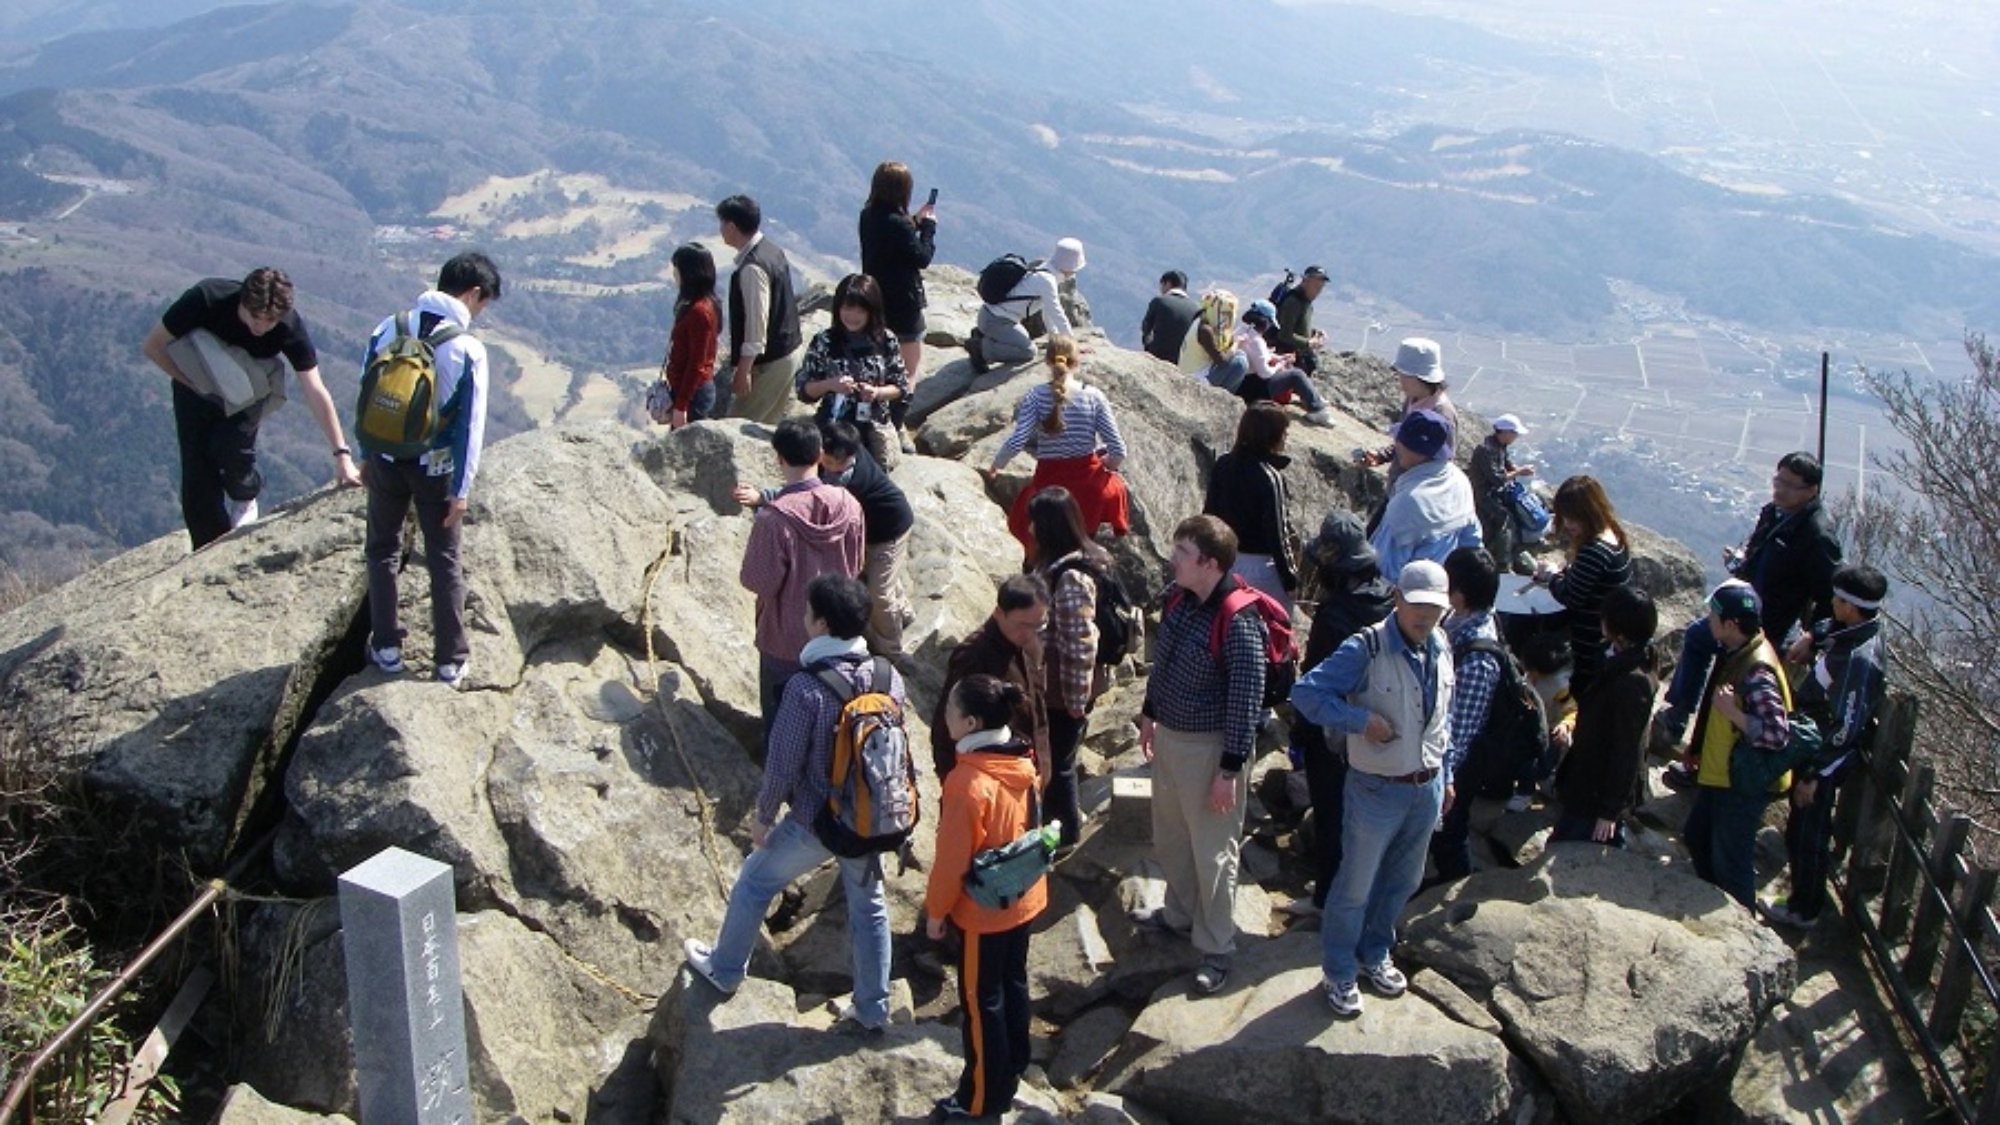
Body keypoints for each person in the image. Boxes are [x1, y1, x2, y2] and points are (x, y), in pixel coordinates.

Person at [684, 574, 902, 1033]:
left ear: (820, 623)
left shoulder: (806, 688)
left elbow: (783, 765)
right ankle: (873, 1008)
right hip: (872, 816)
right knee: (870, 907)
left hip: (817, 820)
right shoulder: (888, 676)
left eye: (808, 613)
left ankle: (724, 970)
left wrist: (763, 818)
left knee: (753, 884)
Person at [1291, 560, 1454, 1018]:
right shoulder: (1366, 647)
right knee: (1355, 885)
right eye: (1418, 604)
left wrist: (1449, 775)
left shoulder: (1442, 644)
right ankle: (1340, 970)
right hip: (1376, 787)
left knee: (1404, 879)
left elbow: (1445, 718)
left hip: (1426, 784)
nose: (1426, 616)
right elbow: (1307, 694)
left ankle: (1376, 951)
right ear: (1397, 599)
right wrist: (1362, 722)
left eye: (1436, 608)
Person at [1135, 515, 1266, 995]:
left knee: (1213, 851)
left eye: (1181, 553)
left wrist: (1229, 769)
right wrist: (1151, 712)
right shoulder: (1180, 598)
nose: (1172, 559)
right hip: (1171, 736)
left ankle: (1216, 946)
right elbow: (1163, 660)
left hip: (1211, 749)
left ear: (1208, 564)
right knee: (1171, 836)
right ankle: (1179, 914)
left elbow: (1247, 698)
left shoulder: (1238, 618)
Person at [359, 251, 502, 686]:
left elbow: (368, 395)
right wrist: (462, 489)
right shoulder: (467, 348)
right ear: (474, 293)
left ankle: (385, 647)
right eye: (483, 303)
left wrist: (367, 454)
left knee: (382, 549)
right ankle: (449, 660)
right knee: (443, 558)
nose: (480, 313)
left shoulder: (388, 327)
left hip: (384, 457)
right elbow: (469, 426)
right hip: (433, 467)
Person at [142, 267, 362, 549]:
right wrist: (196, 385)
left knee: (232, 450)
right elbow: (154, 345)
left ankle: (245, 495)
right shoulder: (207, 297)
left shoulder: (287, 325)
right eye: (254, 317)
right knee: (197, 478)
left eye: (269, 320)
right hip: (194, 384)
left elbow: (315, 389)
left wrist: (342, 455)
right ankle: (209, 551)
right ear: (241, 301)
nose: (260, 326)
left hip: (248, 391)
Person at [925, 673, 1047, 1120]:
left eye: (950, 711)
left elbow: (952, 861)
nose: (945, 717)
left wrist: (936, 913)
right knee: (1012, 982)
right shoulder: (1020, 758)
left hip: (984, 911)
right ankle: (1014, 1063)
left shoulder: (967, 783)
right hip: (1024, 896)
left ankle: (980, 1097)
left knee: (979, 1001)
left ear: (971, 722)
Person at [1659, 451, 1842, 746]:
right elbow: (1762, 559)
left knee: (1728, 679)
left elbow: (1832, 598)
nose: (1779, 488)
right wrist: (1741, 565)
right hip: (1744, 609)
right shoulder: (1776, 513)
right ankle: (1681, 722)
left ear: (1811, 491)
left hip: (1769, 625)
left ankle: (1692, 738)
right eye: (1778, 479)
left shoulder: (1816, 535)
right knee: (1699, 640)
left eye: (1789, 484)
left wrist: (1814, 637)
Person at [1765, 564, 1889, 927]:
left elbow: (1846, 726)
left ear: (1850, 606)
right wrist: (1813, 637)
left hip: (1824, 755)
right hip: (1815, 744)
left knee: (1809, 832)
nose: (1831, 604)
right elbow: (1831, 629)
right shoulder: (1857, 630)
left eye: (1837, 599)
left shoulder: (1858, 662)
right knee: (1802, 825)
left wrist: (1816, 774)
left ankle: (1805, 907)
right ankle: (1802, 899)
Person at [1288, 510, 1395, 913]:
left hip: (1333, 731)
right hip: (1382, 723)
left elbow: (1313, 681)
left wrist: (1300, 738)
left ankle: (1327, 898)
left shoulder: (1334, 617)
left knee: (1332, 813)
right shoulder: (1388, 598)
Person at [737, 420, 911, 660]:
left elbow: (805, 494)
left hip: (889, 529)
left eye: (836, 464)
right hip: (863, 527)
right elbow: (808, 490)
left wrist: (764, 500)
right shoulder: (846, 497)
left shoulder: (850, 484)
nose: (832, 467)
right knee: (874, 576)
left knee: (879, 591)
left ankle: (890, 650)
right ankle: (902, 610)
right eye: (828, 462)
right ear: (819, 454)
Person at [738, 418, 865, 743]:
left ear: (779, 458)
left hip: (785, 640)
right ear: (820, 454)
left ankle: (782, 785)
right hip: (840, 634)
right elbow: (858, 563)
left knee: (782, 727)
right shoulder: (849, 505)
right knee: (832, 728)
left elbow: (758, 582)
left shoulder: (773, 518)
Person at [1681, 580, 1793, 909]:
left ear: (1731, 624)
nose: (1708, 620)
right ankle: (1710, 903)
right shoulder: (1739, 651)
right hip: (1724, 772)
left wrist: (1734, 714)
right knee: (1697, 835)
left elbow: (1776, 733)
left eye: (1713, 615)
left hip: (1744, 781)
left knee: (1731, 859)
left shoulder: (1756, 669)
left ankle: (1741, 924)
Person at [987, 336, 1130, 561]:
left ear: (1046, 361)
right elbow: (1119, 450)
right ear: (1077, 362)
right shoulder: (1093, 396)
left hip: (1049, 486)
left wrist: (997, 464)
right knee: (1109, 497)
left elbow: (1017, 440)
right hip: (1088, 491)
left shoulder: (1035, 396)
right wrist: (1106, 465)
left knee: (1033, 528)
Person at [1026, 488, 1110, 850]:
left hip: (1065, 690)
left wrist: (1077, 700)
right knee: (1055, 758)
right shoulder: (1060, 562)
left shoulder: (1072, 577)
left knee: (1058, 763)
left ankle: (1066, 834)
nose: (1028, 528)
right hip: (1057, 685)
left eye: (1034, 522)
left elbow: (1080, 643)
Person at [1550, 584, 1659, 847]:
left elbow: (1626, 749)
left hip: (1595, 790)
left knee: (1571, 844)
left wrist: (1609, 811)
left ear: (1618, 631)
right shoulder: (1633, 658)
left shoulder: (1632, 683)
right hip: (1589, 772)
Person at [1427, 547, 1504, 885]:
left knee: (1450, 832)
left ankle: (1454, 884)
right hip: (1440, 748)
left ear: (1460, 592)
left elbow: (1462, 729)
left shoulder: (1478, 658)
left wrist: (1442, 776)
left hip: (1458, 766)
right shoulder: (1461, 619)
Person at [931, 576, 1052, 787]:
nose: (1030, 634)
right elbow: (946, 728)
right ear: (998, 613)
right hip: (988, 783)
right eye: (1023, 625)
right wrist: (956, 784)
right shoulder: (975, 656)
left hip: (1028, 771)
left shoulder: (1031, 642)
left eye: (1039, 625)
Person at [794, 274, 909, 469]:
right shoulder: (825, 341)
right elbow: (803, 390)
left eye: (860, 310)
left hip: (872, 429)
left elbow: (900, 387)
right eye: (847, 308)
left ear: (872, 311)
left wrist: (877, 393)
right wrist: (830, 385)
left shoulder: (886, 340)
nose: (852, 316)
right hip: (834, 428)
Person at [1534, 476, 1632, 695]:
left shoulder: (1594, 551)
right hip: (1603, 635)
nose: (1568, 524)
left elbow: (1571, 597)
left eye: (1573, 518)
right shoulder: (1614, 534)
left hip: (1588, 640)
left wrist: (1551, 577)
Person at [716, 194, 803, 422]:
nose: (721, 229)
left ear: (732, 227)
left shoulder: (752, 268)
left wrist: (744, 370)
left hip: (770, 363)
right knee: (767, 428)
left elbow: (757, 323)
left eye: (722, 223)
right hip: (788, 351)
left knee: (742, 425)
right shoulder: (772, 250)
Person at [1203, 403, 1300, 607]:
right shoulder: (1270, 477)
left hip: (1223, 561)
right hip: (1259, 568)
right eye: (1284, 432)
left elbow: (1209, 516)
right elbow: (1278, 534)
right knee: (1272, 630)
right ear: (1272, 436)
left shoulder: (1223, 464)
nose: (1286, 438)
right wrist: (1290, 579)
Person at [1368, 409, 1482, 579]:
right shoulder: (1459, 481)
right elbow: (1472, 542)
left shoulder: (1410, 501)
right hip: (1442, 590)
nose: (1397, 444)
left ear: (1419, 452)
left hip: (1406, 596)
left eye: (1403, 441)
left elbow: (1383, 568)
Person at [856, 161, 937, 385]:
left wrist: (914, 223)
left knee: (878, 364)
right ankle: (898, 415)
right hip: (903, 305)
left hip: (875, 299)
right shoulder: (899, 225)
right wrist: (928, 229)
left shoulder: (867, 216)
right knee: (908, 371)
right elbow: (922, 257)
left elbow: (890, 239)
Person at [970, 238, 1085, 369]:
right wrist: (1072, 345)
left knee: (1023, 343)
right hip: (997, 321)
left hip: (991, 316)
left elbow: (1048, 313)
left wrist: (1055, 342)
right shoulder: (1047, 281)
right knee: (1028, 352)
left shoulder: (1044, 270)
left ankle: (984, 335)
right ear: (1069, 267)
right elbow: (1056, 313)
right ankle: (981, 349)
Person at [1360, 339, 1462, 484]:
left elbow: (1442, 463)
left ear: (1421, 378)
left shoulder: (1443, 414)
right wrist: (1382, 456)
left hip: (1417, 491)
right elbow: (1407, 441)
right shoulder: (1412, 398)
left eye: (1405, 375)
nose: (1401, 380)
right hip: (1399, 484)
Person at [648, 243, 721, 428]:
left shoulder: (700, 312)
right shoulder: (702, 305)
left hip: (693, 395)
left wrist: (681, 406)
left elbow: (696, 363)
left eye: (677, 268)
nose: (674, 274)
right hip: (689, 391)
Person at [1235, 300, 1334, 424]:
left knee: (1290, 369)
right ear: (1265, 321)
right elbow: (1265, 373)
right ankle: (1317, 410)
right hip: (1254, 390)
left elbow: (1257, 356)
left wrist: (1279, 358)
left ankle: (1312, 398)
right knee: (1296, 374)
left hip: (1243, 385)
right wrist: (1279, 365)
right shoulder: (1256, 340)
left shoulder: (1242, 331)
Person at [1467, 415, 1535, 562]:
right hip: (1482, 494)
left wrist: (1516, 469)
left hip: (1494, 492)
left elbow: (1506, 464)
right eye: (1514, 434)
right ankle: (1501, 558)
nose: (1516, 437)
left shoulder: (1499, 446)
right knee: (1505, 519)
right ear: (1505, 433)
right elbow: (1497, 478)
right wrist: (1519, 472)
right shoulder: (1486, 450)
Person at [1270, 265, 1329, 374]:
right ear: (1305, 280)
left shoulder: (1306, 302)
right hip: (1287, 356)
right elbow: (1284, 335)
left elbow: (1298, 326)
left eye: (1322, 283)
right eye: (1316, 281)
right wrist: (1308, 343)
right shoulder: (1294, 302)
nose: (1320, 286)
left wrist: (1314, 333)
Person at [1141, 270, 1199, 364]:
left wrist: (1148, 347)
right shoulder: (1196, 308)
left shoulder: (1160, 301)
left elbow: (1146, 327)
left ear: (1167, 284)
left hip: (1158, 356)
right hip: (1183, 360)